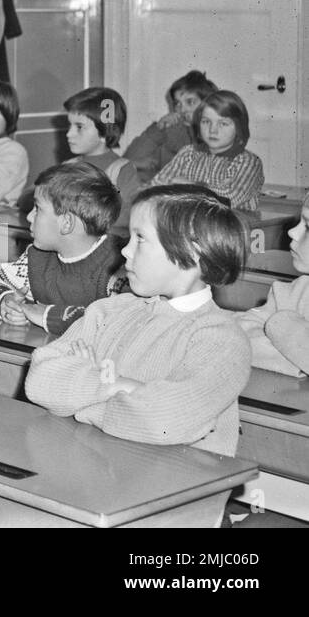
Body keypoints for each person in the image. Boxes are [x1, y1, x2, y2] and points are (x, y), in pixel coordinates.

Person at [25, 185, 250, 455]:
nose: (125, 251)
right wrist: (116, 386)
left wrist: (82, 397)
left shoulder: (221, 337)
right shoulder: (109, 310)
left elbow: (165, 422)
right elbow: (40, 381)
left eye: (140, 239)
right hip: (98, 467)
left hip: (176, 486)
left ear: (192, 253)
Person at [0, 161, 125, 336]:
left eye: (38, 209)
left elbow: (121, 322)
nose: (29, 217)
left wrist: (47, 316)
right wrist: (4, 301)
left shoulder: (121, 263)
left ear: (66, 223)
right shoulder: (38, 258)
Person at [150, 89, 264, 212]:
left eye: (223, 123)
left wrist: (190, 186)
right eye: (206, 122)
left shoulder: (248, 161)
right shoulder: (188, 153)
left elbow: (229, 198)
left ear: (239, 128)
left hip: (230, 226)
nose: (212, 130)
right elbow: (157, 184)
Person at [238, 193, 309, 375]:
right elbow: (241, 332)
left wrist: (279, 324)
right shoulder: (295, 290)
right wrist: (299, 363)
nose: (292, 231)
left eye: (308, 226)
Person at [61, 86, 142, 238]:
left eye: (79, 127)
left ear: (105, 130)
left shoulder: (122, 170)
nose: (68, 134)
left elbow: (126, 216)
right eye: (69, 125)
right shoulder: (67, 167)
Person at [124, 69, 217, 181]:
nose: (182, 109)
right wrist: (157, 129)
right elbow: (128, 162)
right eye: (177, 103)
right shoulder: (171, 131)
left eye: (190, 102)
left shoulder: (220, 135)